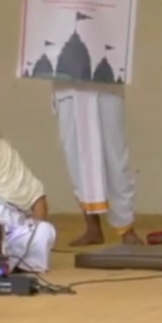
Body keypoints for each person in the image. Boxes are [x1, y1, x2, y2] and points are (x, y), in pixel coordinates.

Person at [52, 83, 142, 246]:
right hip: (68, 88)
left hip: (105, 86)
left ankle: (127, 230)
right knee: (77, 160)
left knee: (115, 159)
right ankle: (93, 229)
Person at [0, 138, 57, 272]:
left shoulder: (3, 151)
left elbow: (37, 197)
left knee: (44, 231)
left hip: (11, 232)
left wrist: (33, 231)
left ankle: (10, 261)